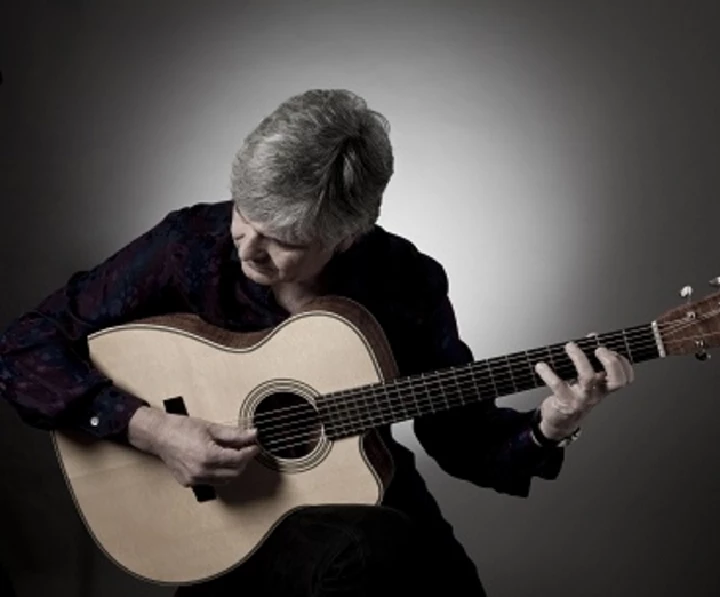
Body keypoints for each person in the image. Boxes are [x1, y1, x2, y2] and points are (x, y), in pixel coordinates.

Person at [0, 89, 634, 596]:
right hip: (224, 522)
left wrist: (549, 427)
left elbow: (462, 440)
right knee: (369, 560)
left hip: (359, 504)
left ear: (350, 235)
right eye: (244, 214)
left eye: (284, 241)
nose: (247, 246)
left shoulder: (402, 283)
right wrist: (151, 429)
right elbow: (23, 349)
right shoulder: (188, 246)